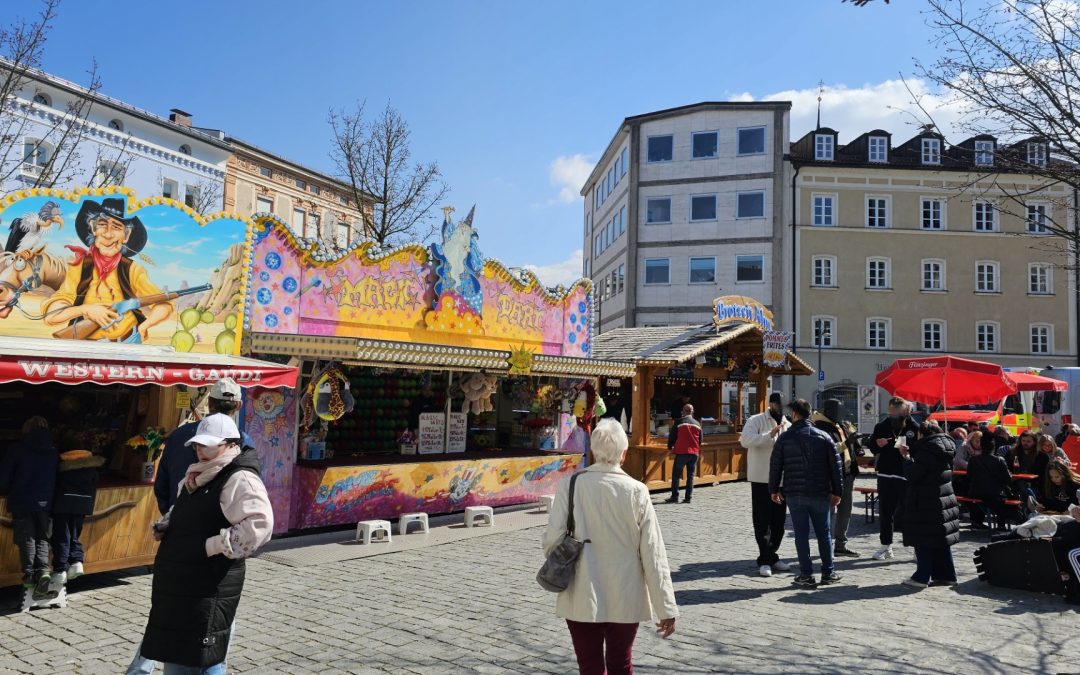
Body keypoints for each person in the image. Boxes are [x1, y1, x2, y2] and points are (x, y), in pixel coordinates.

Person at [139, 414, 273, 673]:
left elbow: (259, 526)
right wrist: (168, 523)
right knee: (177, 657)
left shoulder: (238, 478)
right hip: (182, 586)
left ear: (230, 444)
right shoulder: (197, 475)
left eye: (208, 445)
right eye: (198, 445)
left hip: (208, 587)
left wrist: (213, 545)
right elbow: (187, 509)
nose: (201, 451)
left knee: (201, 659)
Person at [543, 418, 678, 675]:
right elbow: (653, 553)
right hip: (625, 591)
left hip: (582, 590)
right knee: (621, 663)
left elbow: (552, 540)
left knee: (590, 667)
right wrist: (666, 608)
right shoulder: (637, 491)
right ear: (624, 454)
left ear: (593, 451)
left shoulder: (570, 485)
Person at [42, 197, 172, 343]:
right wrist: (86, 310)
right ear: (93, 228)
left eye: (116, 227)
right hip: (85, 345)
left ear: (126, 236)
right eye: (102, 225)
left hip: (126, 342)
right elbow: (51, 316)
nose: (108, 234)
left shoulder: (133, 269)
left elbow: (163, 304)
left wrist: (145, 326)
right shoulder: (80, 266)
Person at [769, 399, 844, 587]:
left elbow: (775, 465)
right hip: (820, 492)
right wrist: (837, 491)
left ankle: (806, 574)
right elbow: (836, 467)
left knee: (801, 535)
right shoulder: (824, 436)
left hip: (795, 492)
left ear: (794, 414)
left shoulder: (785, 438)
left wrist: (774, 489)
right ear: (809, 413)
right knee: (824, 534)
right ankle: (828, 572)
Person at [154, 378, 252, 516]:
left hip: (178, 521)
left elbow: (161, 485)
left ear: (209, 402)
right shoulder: (243, 442)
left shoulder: (178, 435)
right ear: (239, 406)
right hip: (218, 528)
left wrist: (170, 516)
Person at [0, 417, 58, 596]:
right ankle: (43, 571)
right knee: (42, 536)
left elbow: (3, 478)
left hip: (22, 500)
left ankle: (31, 574)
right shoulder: (53, 451)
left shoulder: (17, 449)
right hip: (45, 501)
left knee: (27, 537)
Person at [898, 422, 960, 589]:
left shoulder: (927, 450)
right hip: (942, 497)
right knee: (940, 538)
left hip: (926, 499)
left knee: (922, 537)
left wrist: (905, 458)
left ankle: (921, 576)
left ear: (923, 435)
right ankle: (946, 575)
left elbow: (914, 474)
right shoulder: (945, 447)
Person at [739, 392, 792, 577]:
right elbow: (745, 440)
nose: (782, 409)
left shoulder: (788, 423)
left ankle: (772, 555)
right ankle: (764, 559)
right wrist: (769, 435)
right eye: (779, 405)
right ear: (772, 404)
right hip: (761, 478)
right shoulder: (756, 420)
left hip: (782, 480)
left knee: (779, 522)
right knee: (762, 521)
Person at [48, 448, 106, 594]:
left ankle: (60, 570)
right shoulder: (92, 471)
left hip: (64, 504)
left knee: (62, 535)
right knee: (74, 533)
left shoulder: (63, 470)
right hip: (83, 505)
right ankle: (77, 562)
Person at [869, 397, 919, 560]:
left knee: (910, 511)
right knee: (885, 512)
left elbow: (920, 451)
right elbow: (872, 446)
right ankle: (886, 546)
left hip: (905, 475)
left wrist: (909, 451)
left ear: (906, 412)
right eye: (892, 413)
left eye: (897, 414)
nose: (894, 417)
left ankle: (916, 547)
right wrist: (878, 444)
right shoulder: (882, 426)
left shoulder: (915, 427)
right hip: (885, 473)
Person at [811, 399, 861, 558]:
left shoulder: (842, 425)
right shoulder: (819, 427)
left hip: (847, 474)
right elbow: (829, 449)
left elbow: (848, 445)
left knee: (845, 511)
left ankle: (840, 545)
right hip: (830, 477)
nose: (841, 414)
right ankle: (826, 546)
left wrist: (856, 447)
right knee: (829, 512)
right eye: (838, 411)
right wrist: (848, 442)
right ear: (829, 411)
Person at [967, 433, 1014, 529]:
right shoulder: (999, 460)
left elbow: (969, 476)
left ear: (982, 446)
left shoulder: (973, 459)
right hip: (995, 494)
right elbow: (1008, 479)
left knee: (982, 499)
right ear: (994, 447)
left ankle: (977, 522)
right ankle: (1001, 524)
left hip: (976, 492)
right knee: (1004, 497)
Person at [665, 404, 701, 504]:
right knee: (690, 476)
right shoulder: (697, 424)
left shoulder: (679, 422)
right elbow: (700, 440)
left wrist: (670, 447)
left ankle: (674, 496)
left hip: (682, 452)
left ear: (683, 411)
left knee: (676, 475)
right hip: (694, 453)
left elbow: (672, 437)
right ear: (692, 411)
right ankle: (688, 498)